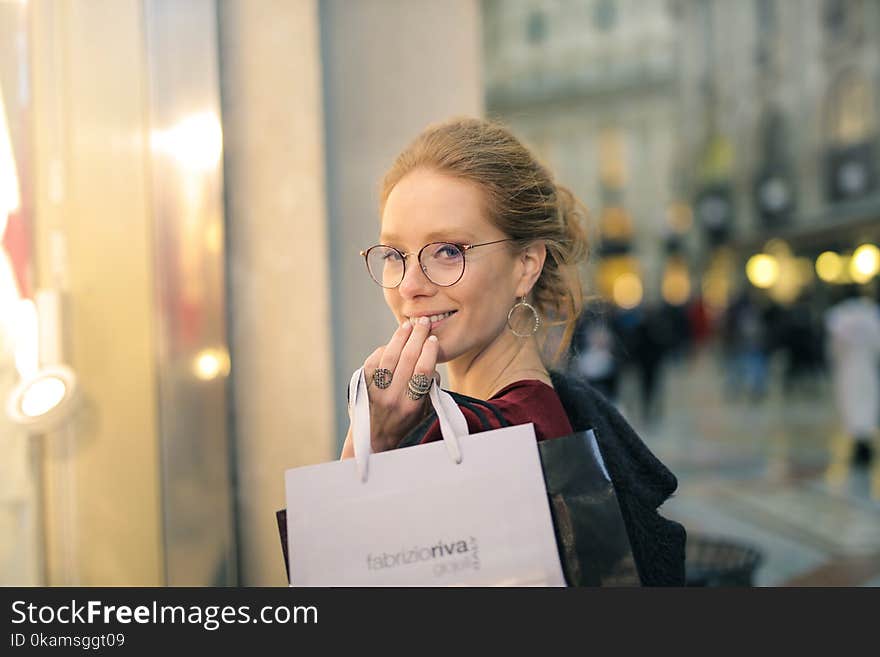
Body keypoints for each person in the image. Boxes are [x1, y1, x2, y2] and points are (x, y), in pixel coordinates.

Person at [339, 117, 685, 586]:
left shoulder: (484, 440)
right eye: (395, 254)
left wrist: (373, 446)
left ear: (525, 266)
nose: (410, 286)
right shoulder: (552, 404)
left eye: (448, 251)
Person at [824, 284, 880, 466]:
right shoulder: (871, 313)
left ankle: (860, 442)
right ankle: (862, 442)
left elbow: (834, 347)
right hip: (866, 367)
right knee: (866, 402)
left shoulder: (839, 316)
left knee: (851, 403)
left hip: (848, 368)